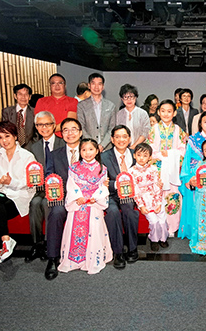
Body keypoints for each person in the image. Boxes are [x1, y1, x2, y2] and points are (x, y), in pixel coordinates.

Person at [58, 138, 112, 275]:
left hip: (94, 204)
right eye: (84, 150)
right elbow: (71, 185)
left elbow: (103, 187)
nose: (87, 153)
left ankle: (92, 259)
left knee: (93, 230)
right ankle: (74, 261)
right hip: (78, 204)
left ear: (96, 151)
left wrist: (96, 197)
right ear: (80, 151)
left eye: (91, 149)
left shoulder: (102, 169)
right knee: (74, 231)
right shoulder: (74, 167)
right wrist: (78, 197)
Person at [0, 121, 36, 266]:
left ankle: (2, 244)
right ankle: (6, 241)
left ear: (14, 136)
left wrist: (10, 182)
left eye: (7, 136)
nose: (4, 141)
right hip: (3, 195)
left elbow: (30, 182)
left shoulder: (27, 156)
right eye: (0, 137)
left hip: (22, 195)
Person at [43, 118, 83, 279]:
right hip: (63, 196)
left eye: (74, 129)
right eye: (65, 130)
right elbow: (49, 175)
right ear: (61, 134)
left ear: (80, 132)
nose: (70, 133)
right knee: (57, 212)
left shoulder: (89, 150)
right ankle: (53, 258)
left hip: (85, 196)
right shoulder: (54, 154)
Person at [25, 111, 66, 262]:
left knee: (47, 203)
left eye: (48, 124)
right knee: (35, 203)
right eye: (40, 125)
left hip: (60, 189)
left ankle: (51, 243)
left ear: (54, 125)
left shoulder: (63, 143)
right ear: (36, 127)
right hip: (41, 189)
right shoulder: (33, 147)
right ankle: (37, 244)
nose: (44, 127)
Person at [100, 125, 141, 269]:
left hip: (129, 194)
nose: (121, 140)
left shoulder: (136, 154)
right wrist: (115, 185)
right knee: (112, 212)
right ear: (112, 139)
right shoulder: (104, 156)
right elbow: (101, 181)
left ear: (129, 139)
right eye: (117, 137)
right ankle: (117, 252)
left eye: (124, 137)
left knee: (129, 209)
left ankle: (132, 248)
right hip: (110, 194)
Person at [147, 100, 187, 237]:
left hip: (173, 171)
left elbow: (183, 149)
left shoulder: (178, 130)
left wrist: (171, 154)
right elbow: (149, 151)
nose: (166, 114)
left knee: (173, 196)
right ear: (158, 112)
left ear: (174, 113)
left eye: (169, 111)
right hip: (157, 171)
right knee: (158, 197)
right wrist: (160, 156)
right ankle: (159, 226)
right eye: (163, 111)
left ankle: (172, 228)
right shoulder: (153, 130)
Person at [179, 111, 206, 240]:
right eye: (205, 122)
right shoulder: (192, 139)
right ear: (200, 123)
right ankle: (192, 232)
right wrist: (187, 178)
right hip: (193, 176)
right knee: (192, 205)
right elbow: (186, 160)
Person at [131, 143, 168, 252]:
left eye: (145, 155)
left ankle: (163, 239)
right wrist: (141, 206)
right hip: (143, 199)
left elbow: (157, 185)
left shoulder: (154, 169)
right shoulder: (131, 171)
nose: (141, 158)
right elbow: (135, 191)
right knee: (154, 221)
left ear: (150, 157)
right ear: (134, 156)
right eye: (139, 155)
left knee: (162, 220)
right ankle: (154, 239)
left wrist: (159, 203)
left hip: (156, 197)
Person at [77, 73, 117, 151]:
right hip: (88, 147)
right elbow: (81, 127)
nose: (96, 87)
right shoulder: (81, 105)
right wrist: (93, 145)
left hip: (107, 148)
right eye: (93, 84)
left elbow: (112, 128)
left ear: (103, 86)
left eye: (99, 84)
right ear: (89, 86)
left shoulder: (111, 105)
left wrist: (102, 145)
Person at [34, 73, 78, 138]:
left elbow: (69, 121)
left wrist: (50, 130)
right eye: (53, 83)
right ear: (50, 86)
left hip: (66, 138)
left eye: (60, 83)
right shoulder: (41, 101)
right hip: (46, 139)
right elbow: (39, 122)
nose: (57, 86)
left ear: (65, 86)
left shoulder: (73, 101)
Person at [1, 83, 36, 149]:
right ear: (15, 96)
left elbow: (37, 133)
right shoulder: (7, 112)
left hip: (31, 147)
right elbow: (5, 131)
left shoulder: (35, 112)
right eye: (20, 94)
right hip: (11, 147)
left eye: (26, 94)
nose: (23, 97)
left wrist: (33, 146)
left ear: (30, 97)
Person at [115, 84, 151, 149]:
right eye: (125, 97)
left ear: (136, 97)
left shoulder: (143, 113)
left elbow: (145, 133)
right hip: (123, 148)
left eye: (131, 97)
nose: (129, 100)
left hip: (140, 149)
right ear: (122, 99)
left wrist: (133, 146)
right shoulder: (119, 114)